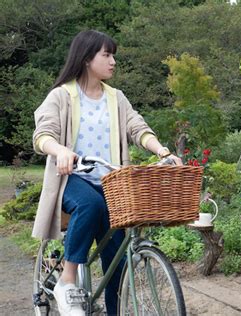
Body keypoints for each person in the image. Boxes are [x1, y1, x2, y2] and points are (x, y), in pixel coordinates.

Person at [32, 30, 182, 316]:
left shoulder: (116, 98)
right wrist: (60, 151)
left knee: (118, 260)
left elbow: (138, 129)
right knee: (90, 203)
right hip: (71, 180)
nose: (113, 61)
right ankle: (67, 280)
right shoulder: (61, 96)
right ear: (87, 58)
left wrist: (161, 150)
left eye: (113, 55)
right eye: (107, 55)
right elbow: (42, 135)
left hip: (112, 184)